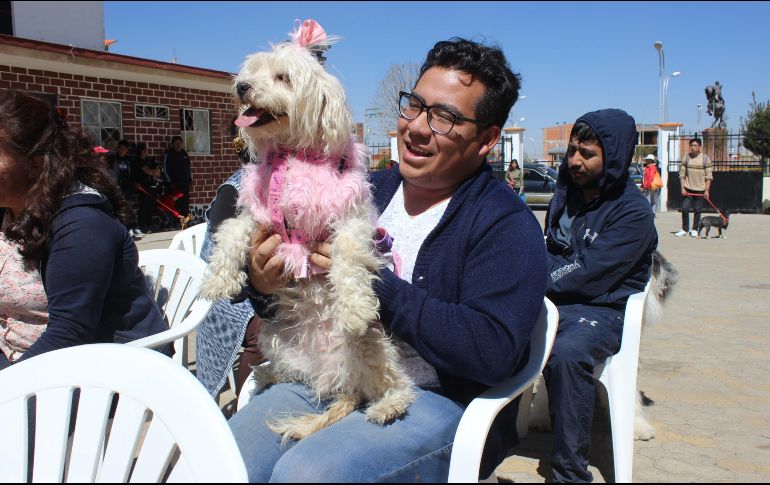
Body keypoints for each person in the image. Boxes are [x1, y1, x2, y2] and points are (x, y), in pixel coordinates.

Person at [226, 38, 547, 482]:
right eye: (414, 105)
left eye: (445, 117)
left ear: (487, 140)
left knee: (307, 475)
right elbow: (296, 283)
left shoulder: (505, 225)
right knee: (220, 459)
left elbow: (491, 350)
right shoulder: (359, 185)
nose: (416, 127)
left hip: (431, 395)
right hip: (326, 372)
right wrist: (262, 284)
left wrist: (372, 282)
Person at [0, 90, 170, 370]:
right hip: (18, 357)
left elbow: (69, 334)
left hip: (98, 373)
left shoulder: (81, 225)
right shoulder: (9, 211)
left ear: (34, 164)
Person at [542, 109, 657, 483]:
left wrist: (534, 282)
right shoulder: (567, 193)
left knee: (569, 353)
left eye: (586, 154)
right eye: (572, 150)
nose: (574, 161)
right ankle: (487, 439)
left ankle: (570, 474)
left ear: (615, 157)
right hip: (559, 297)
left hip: (604, 309)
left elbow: (588, 274)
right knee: (491, 321)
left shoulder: (633, 214)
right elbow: (550, 249)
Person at [675, 138, 713, 237]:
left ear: (700, 146)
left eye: (695, 145)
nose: (693, 147)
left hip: (700, 189)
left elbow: (709, 176)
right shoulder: (686, 158)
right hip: (688, 189)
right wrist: (682, 188)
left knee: (697, 210)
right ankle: (685, 229)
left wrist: (707, 190)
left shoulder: (705, 159)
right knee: (685, 208)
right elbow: (682, 175)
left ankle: (695, 229)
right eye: (691, 145)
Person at [106, 139, 142, 238]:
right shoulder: (113, 158)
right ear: (118, 148)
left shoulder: (128, 160)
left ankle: (132, 227)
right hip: (117, 187)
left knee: (129, 208)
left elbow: (132, 173)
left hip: (127, 188)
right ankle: (124, 229)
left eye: (125, 149)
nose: (123, 150)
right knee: (119, 209)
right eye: (121, 148)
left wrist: (134, 183)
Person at [134, 143, 164, 234]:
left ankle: (149, 224)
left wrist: (156, 171)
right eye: (146, 149)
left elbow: (157, 172)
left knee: (150, 206)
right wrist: (153, 172)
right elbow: (150, 172)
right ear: (142, 151)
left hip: (149, 187)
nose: (148, 151)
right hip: (142, 188)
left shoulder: (147, 160)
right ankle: (143, 226)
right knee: (144, 207)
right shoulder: (138, 161)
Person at [163, 135, 192, 223]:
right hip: (175, 185)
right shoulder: (169, 154)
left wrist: (190, 180)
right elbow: (165, 169)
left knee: (185, 203)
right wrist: (170, 181)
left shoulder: (184, 154)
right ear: (172, 144)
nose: (178, 145)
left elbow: (188, 168)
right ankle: (176, 222)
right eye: (176, 144)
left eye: (180, 143)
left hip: (185, 184)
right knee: (176, 204)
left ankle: (185, 222)